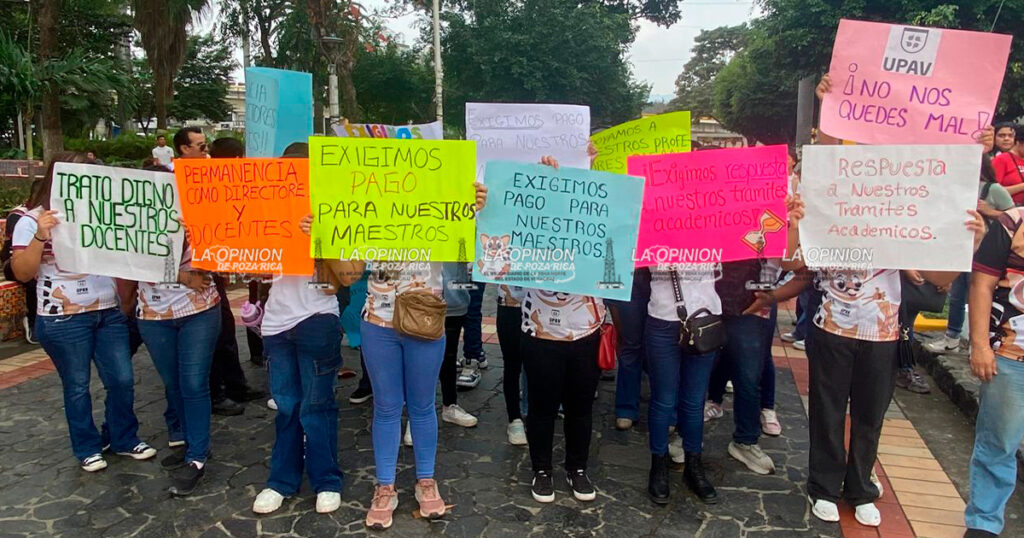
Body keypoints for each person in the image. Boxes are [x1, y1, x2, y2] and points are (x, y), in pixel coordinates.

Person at [795, 74, 984, 528]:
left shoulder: (903, 212)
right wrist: (829, 107)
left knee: (870, 414)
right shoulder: (829, 198)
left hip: (881, 333)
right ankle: (822, 484)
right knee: (826, 408)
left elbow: (939, 278)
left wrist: (968, 246)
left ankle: (860, 485)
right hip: (830, 326)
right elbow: (795, 261)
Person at [11, 152, 156, 471]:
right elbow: (22, 272)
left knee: (121, 378)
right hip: (62, 317)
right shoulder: (32, 219)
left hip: (107, 311)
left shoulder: (101, 213)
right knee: (76, 385)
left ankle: (123, 437)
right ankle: (87, 447)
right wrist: (40, 235)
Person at [361, 182, 489, 530]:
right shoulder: (364, 208)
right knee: (387, 406)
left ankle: (426, 479)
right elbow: (348, 267)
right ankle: (385, 486)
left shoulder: (439, 206)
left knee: (422, 405)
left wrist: (476, 208)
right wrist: (322, 229)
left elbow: (473, 247)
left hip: (426, 322)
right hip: (378, 321)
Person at [251, 149, 365, 513]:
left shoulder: (335, 212)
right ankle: (281, 481)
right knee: (286, 406)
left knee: (316, 405)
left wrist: (323, 236)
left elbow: (350, 276)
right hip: (276, 323)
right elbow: (236, 256)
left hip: (317, 319)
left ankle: (326, 479)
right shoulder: (265, 209)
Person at [519, 156, 604, 505]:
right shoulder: (529, 212)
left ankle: (577, 468)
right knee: (540, 405)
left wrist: (594, 170)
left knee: (581, 405)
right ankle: (542, 470)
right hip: (539, 328)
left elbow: (619, 220)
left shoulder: (593, 205)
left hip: (585, 327)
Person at [965, 202, 1024, 537]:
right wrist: (980, 346)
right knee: (999, 442)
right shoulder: (1011, 223)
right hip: (1012, 353)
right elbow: (982, 285)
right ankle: (984, 523)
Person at [925, 154, 1013, 357]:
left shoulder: (994, 189)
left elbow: (1013, 218)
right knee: (957, 295)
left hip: (988, 254)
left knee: (981, 295)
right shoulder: (954, 187)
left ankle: (979, 342)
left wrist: (989, 211)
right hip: (961, 248)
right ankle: (952, 338)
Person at [205, 136, 266, 415]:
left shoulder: (232, 182)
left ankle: (236, 385)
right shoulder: (203, 185)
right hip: (198, 278)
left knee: (226, 330)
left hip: (216, 272)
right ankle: (217, 393)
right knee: (216, 335)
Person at [2, 178, 44, 345]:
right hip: (11, 263)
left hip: (40, 261)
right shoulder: (20, 216)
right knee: (33, 278)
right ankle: (33, 321)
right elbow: (18, 254)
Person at [495, 284, 527, 445]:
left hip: (544, 304)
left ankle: (540, 413)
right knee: (512, 364)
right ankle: (514, 418)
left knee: (541, 365)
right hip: (510, 304)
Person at [992, 124, 1024, 205]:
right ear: (1018, 142)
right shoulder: (1001, 159)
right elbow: (992, 192)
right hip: (1008, 209)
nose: (1006, 138)